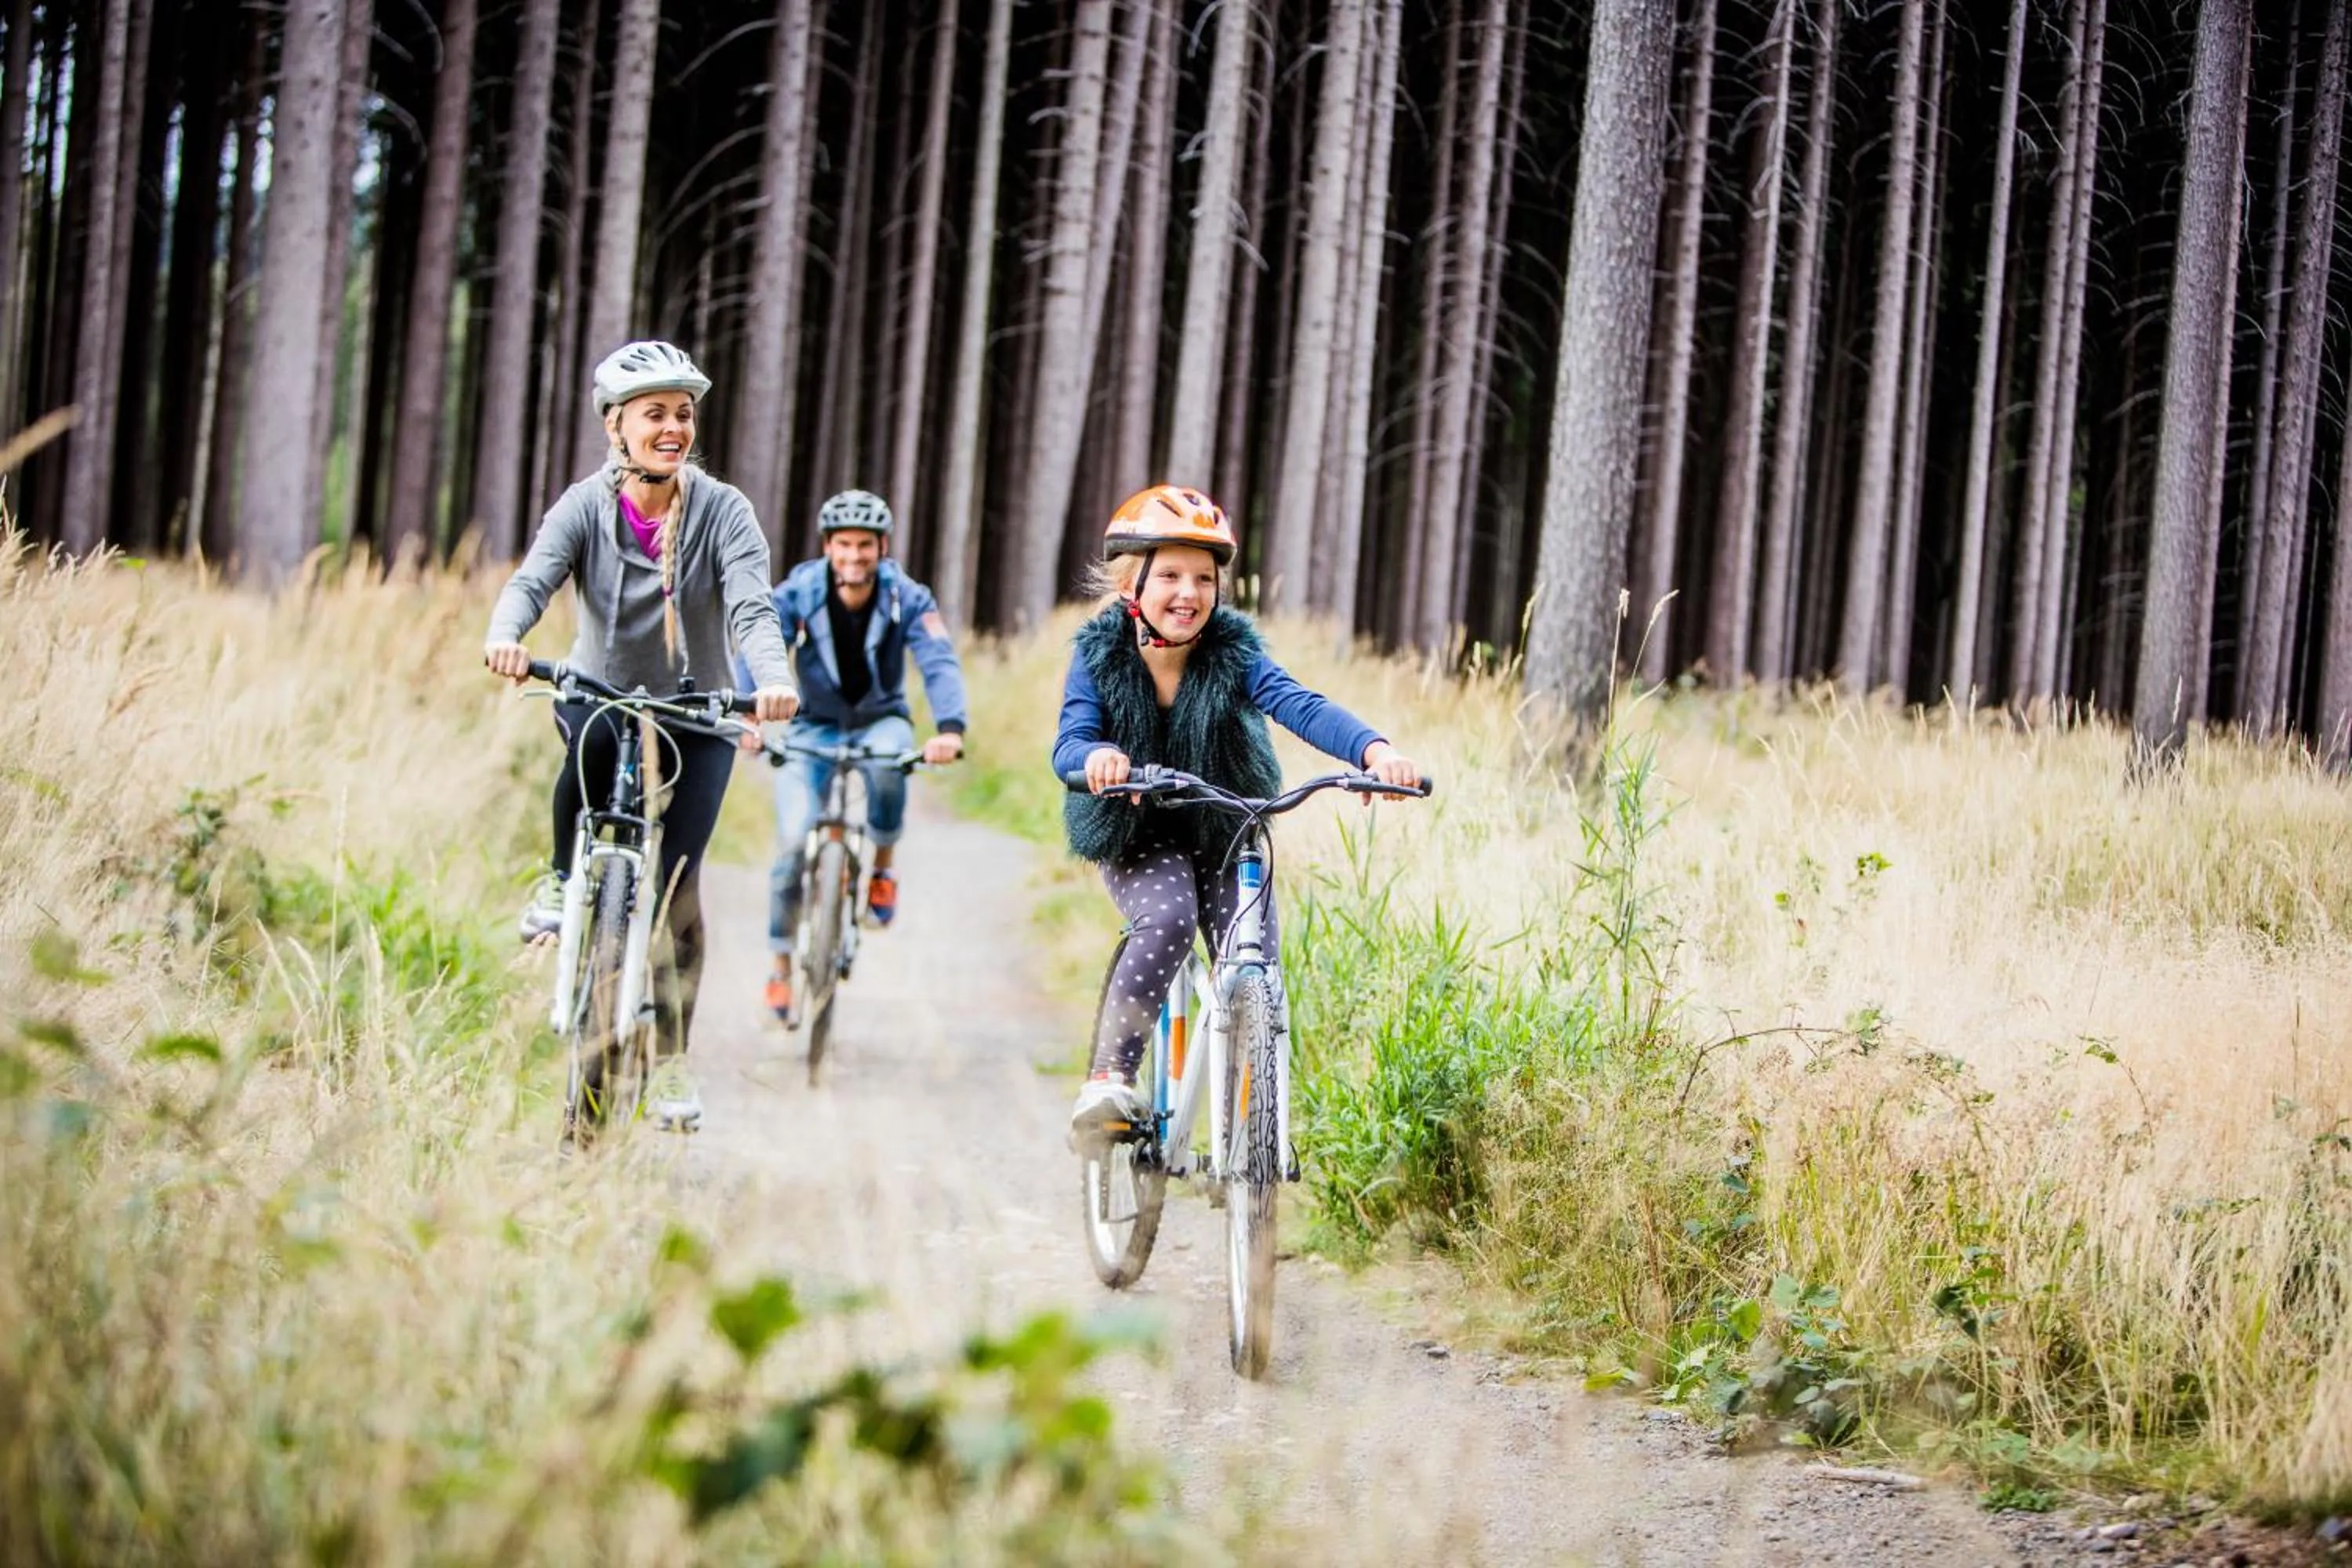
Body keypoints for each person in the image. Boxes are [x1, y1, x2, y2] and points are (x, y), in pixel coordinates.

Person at [483, 339, 798, 1132]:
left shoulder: (725, 510)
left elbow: (751, 609)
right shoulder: (584, 504)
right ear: (615, 425)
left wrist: (773, 678)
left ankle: (672, 1062)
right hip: (602, 693)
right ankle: (562, 880)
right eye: (653, 414)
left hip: (699, 714)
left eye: (683, 414)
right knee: (590, 730)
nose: (672, 428)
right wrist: (507, 634)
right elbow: (533, 579)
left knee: (678, 888)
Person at [1052, 484, 1421, 1146]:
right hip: (1138, 831)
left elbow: (1299, 703)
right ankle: (1110, 1078)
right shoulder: (1099, 654)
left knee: (1253, 965)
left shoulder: (1234, 652)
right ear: (1131, 583)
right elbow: (1071, 741)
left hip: (1227, 826)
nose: (1188, 593)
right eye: (1169, 575)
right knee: (1168, 918)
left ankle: (1247, 1135)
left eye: (1203, 578)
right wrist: (1101, 757)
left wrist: (1375, 750)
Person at [746, 488, 968, 1025]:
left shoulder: (905, 595)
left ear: (881, 547)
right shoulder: (799, 590)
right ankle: (780, 966)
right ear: (827, 545)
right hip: (811, 725)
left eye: (864, 545)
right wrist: (749, 713)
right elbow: (762, 643)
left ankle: (881, 870)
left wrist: (950, 728)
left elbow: (937, 659)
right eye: (843, 544)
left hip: (880, 720)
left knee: (892, 769)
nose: (853, 556)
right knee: (791, 846)